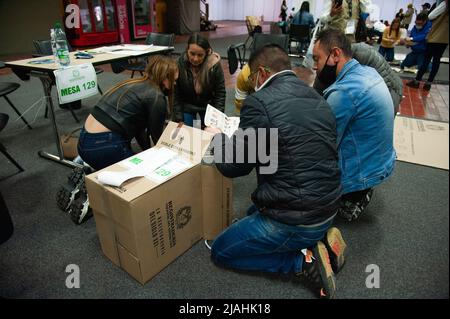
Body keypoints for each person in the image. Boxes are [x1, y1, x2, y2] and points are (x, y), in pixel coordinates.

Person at [206, 44, 345, 299]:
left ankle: (301, 262)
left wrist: (217, 140)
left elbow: (233, 167)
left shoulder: (259, 103)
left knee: (221, 250)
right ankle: (320, 242)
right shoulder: (318, 97)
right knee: (251, 211)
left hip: (298, 219)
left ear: (261, 73)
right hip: (329, 206)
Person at [312, 29, 396, 221]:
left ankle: (352, 193)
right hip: (382, 162)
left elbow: (321, 144)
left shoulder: (344, 92)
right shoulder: (368, 72)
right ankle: (357, 191)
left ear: (335, 54)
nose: (315, 67)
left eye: (317, 59)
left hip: (364, 172)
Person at [77, 55, 178, 170]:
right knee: (141, 175)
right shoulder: (157, 97)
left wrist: (146, 153)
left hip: (84, 140)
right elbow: (157, 138)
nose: (175, 84)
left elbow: (139, 130)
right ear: (165, 79)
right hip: (102, 145)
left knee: (137, 159)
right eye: (173, 80)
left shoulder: (133, 83)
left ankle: (94, 165)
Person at [173, 33, 226, 127]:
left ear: (207, 52)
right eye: (192, 54)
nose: (195, 59)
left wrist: (217, 119)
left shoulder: (215, 65)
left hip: (208, 106)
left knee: (209, 135)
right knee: (185, 134)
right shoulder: (179, 64)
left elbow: (220, 93)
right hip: (187, 106)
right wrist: (178, 119)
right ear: (187, 51)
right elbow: (176, 95)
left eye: (200, 55)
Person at [407, 0, 448, 91]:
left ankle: (417, 81)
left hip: (434, 37)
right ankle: (428, 84)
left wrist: (411, 40)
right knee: (436, 61)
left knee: (426, 60)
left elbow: (431, 16)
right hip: (445, 39)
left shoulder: (445, 3)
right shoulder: (417, 26)